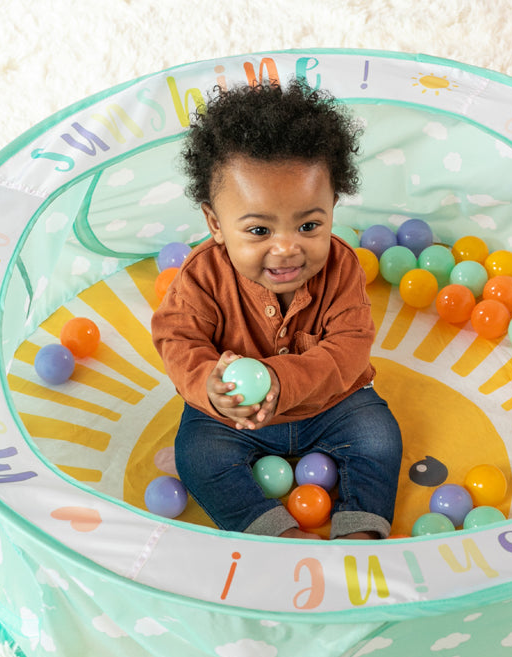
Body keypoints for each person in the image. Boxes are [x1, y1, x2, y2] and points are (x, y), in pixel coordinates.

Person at [151, 80, 402, 540]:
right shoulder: (202, 275)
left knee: (379, 437)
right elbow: (177, 338)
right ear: (216, 224)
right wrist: (208, 384)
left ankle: (360, 530)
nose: (287, 248)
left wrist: (285, 382)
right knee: (197, 455)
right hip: (233, 418)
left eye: (309, 225)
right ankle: (271, 532)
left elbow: (349, 349)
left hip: (334, 404)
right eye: (259, 231)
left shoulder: (343, 267)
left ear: (332, 209)